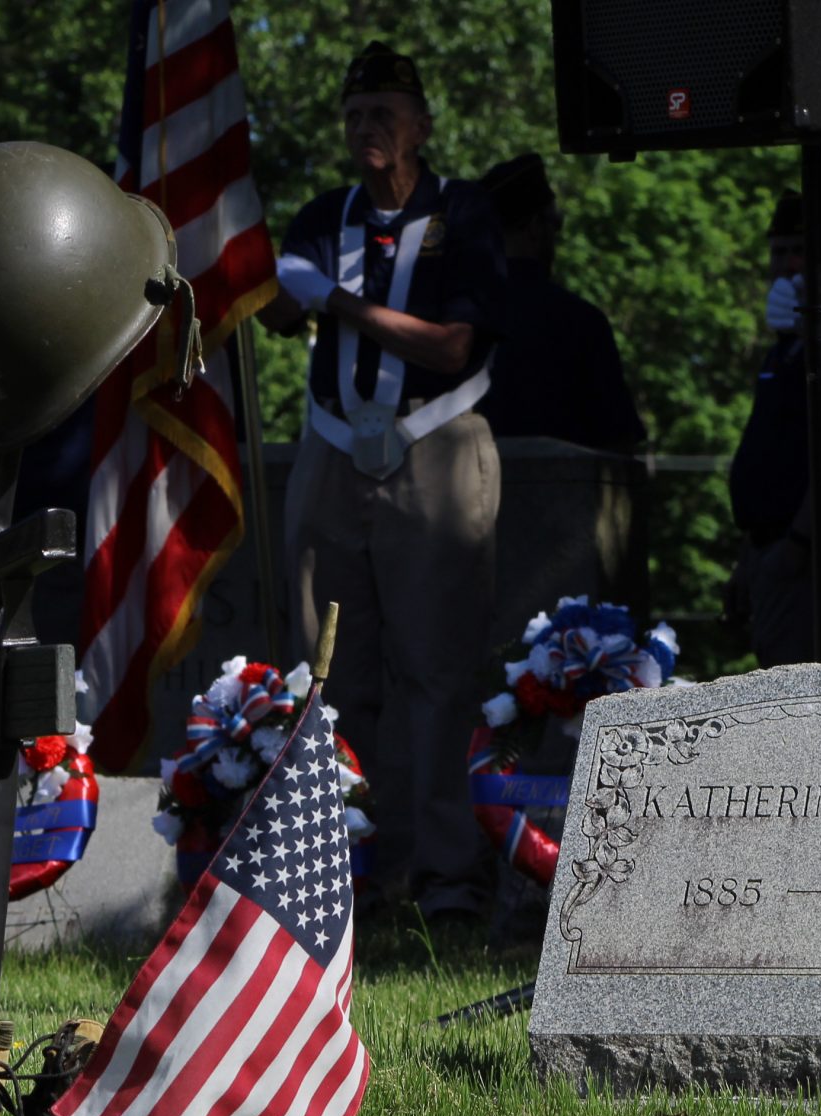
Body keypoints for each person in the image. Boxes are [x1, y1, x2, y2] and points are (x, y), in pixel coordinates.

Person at [257, 41, 507, 925]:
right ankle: (343, 867)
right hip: (332, 450)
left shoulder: (465, 213)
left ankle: (446, 876)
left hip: (436, 448)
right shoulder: (327, 216)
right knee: (331, 667)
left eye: (385, 115)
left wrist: (340, 302)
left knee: (438, 669)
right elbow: (280, 307)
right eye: (356, 116)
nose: (368, 130)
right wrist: (272, 281)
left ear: (422, 125)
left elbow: (453, 344)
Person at [727, 191, 821, 668]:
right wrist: (746, 559)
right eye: (777, 252)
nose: (785, 265)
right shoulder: (783, 352)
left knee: (800, 689)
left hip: (804, 552)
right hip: (766, 547)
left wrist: (797, 545)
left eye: (797, 251)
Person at [475, 152, 645, 453]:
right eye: (554, 223)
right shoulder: (581, 323)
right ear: (535, 228)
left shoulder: (451, 318)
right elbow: (619, 440)